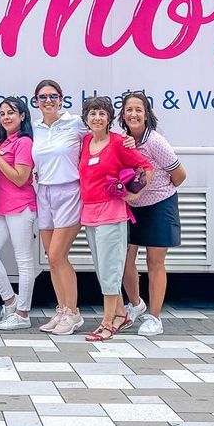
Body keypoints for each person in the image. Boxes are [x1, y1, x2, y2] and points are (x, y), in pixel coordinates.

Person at [78, 96, 154, 342]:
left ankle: (107, 323)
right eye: (92, 114)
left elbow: (146, 167)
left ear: (109, 118)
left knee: (110, 270)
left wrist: (135, 195)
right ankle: (120, 313)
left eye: (102, 114)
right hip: (89, 214)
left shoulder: (120, 143)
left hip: (111, 214)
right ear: (86, 119)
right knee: (102, 269)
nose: (97, 118)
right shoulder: (87, 140)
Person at [119, 90, 187, 336]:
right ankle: (136, 303)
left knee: (154, 261)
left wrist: (158, 190)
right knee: (125, 258)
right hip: (132, 206)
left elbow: (179, 176)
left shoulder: (155, 141)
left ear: (147, 114)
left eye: (139, 109)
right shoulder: (124, 140)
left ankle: (155, 318)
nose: (134, 114)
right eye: (129, 110)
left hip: (160, 204)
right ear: (123, 115)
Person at [30, 79, 86, 335]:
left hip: (69, 191)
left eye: (53, 96)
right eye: (43, 97)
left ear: (61, 99)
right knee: (51, 260)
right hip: (45, 192)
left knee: (57, 255)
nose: (48, 101)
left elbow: (103, 135)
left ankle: (74, 314)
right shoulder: (36, 127)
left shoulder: (75, 123)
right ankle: (62, 309)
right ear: (36, 101)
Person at [0, 96, 38, 331]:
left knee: (24, 261)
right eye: (2, 113)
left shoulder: (23, 142)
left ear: (23, 116)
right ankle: (11, 301)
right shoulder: (2, 143)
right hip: (1, 210)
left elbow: (20, 178)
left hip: (20, 208)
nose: (6, 117)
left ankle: (23, 314)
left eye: (11, 112)